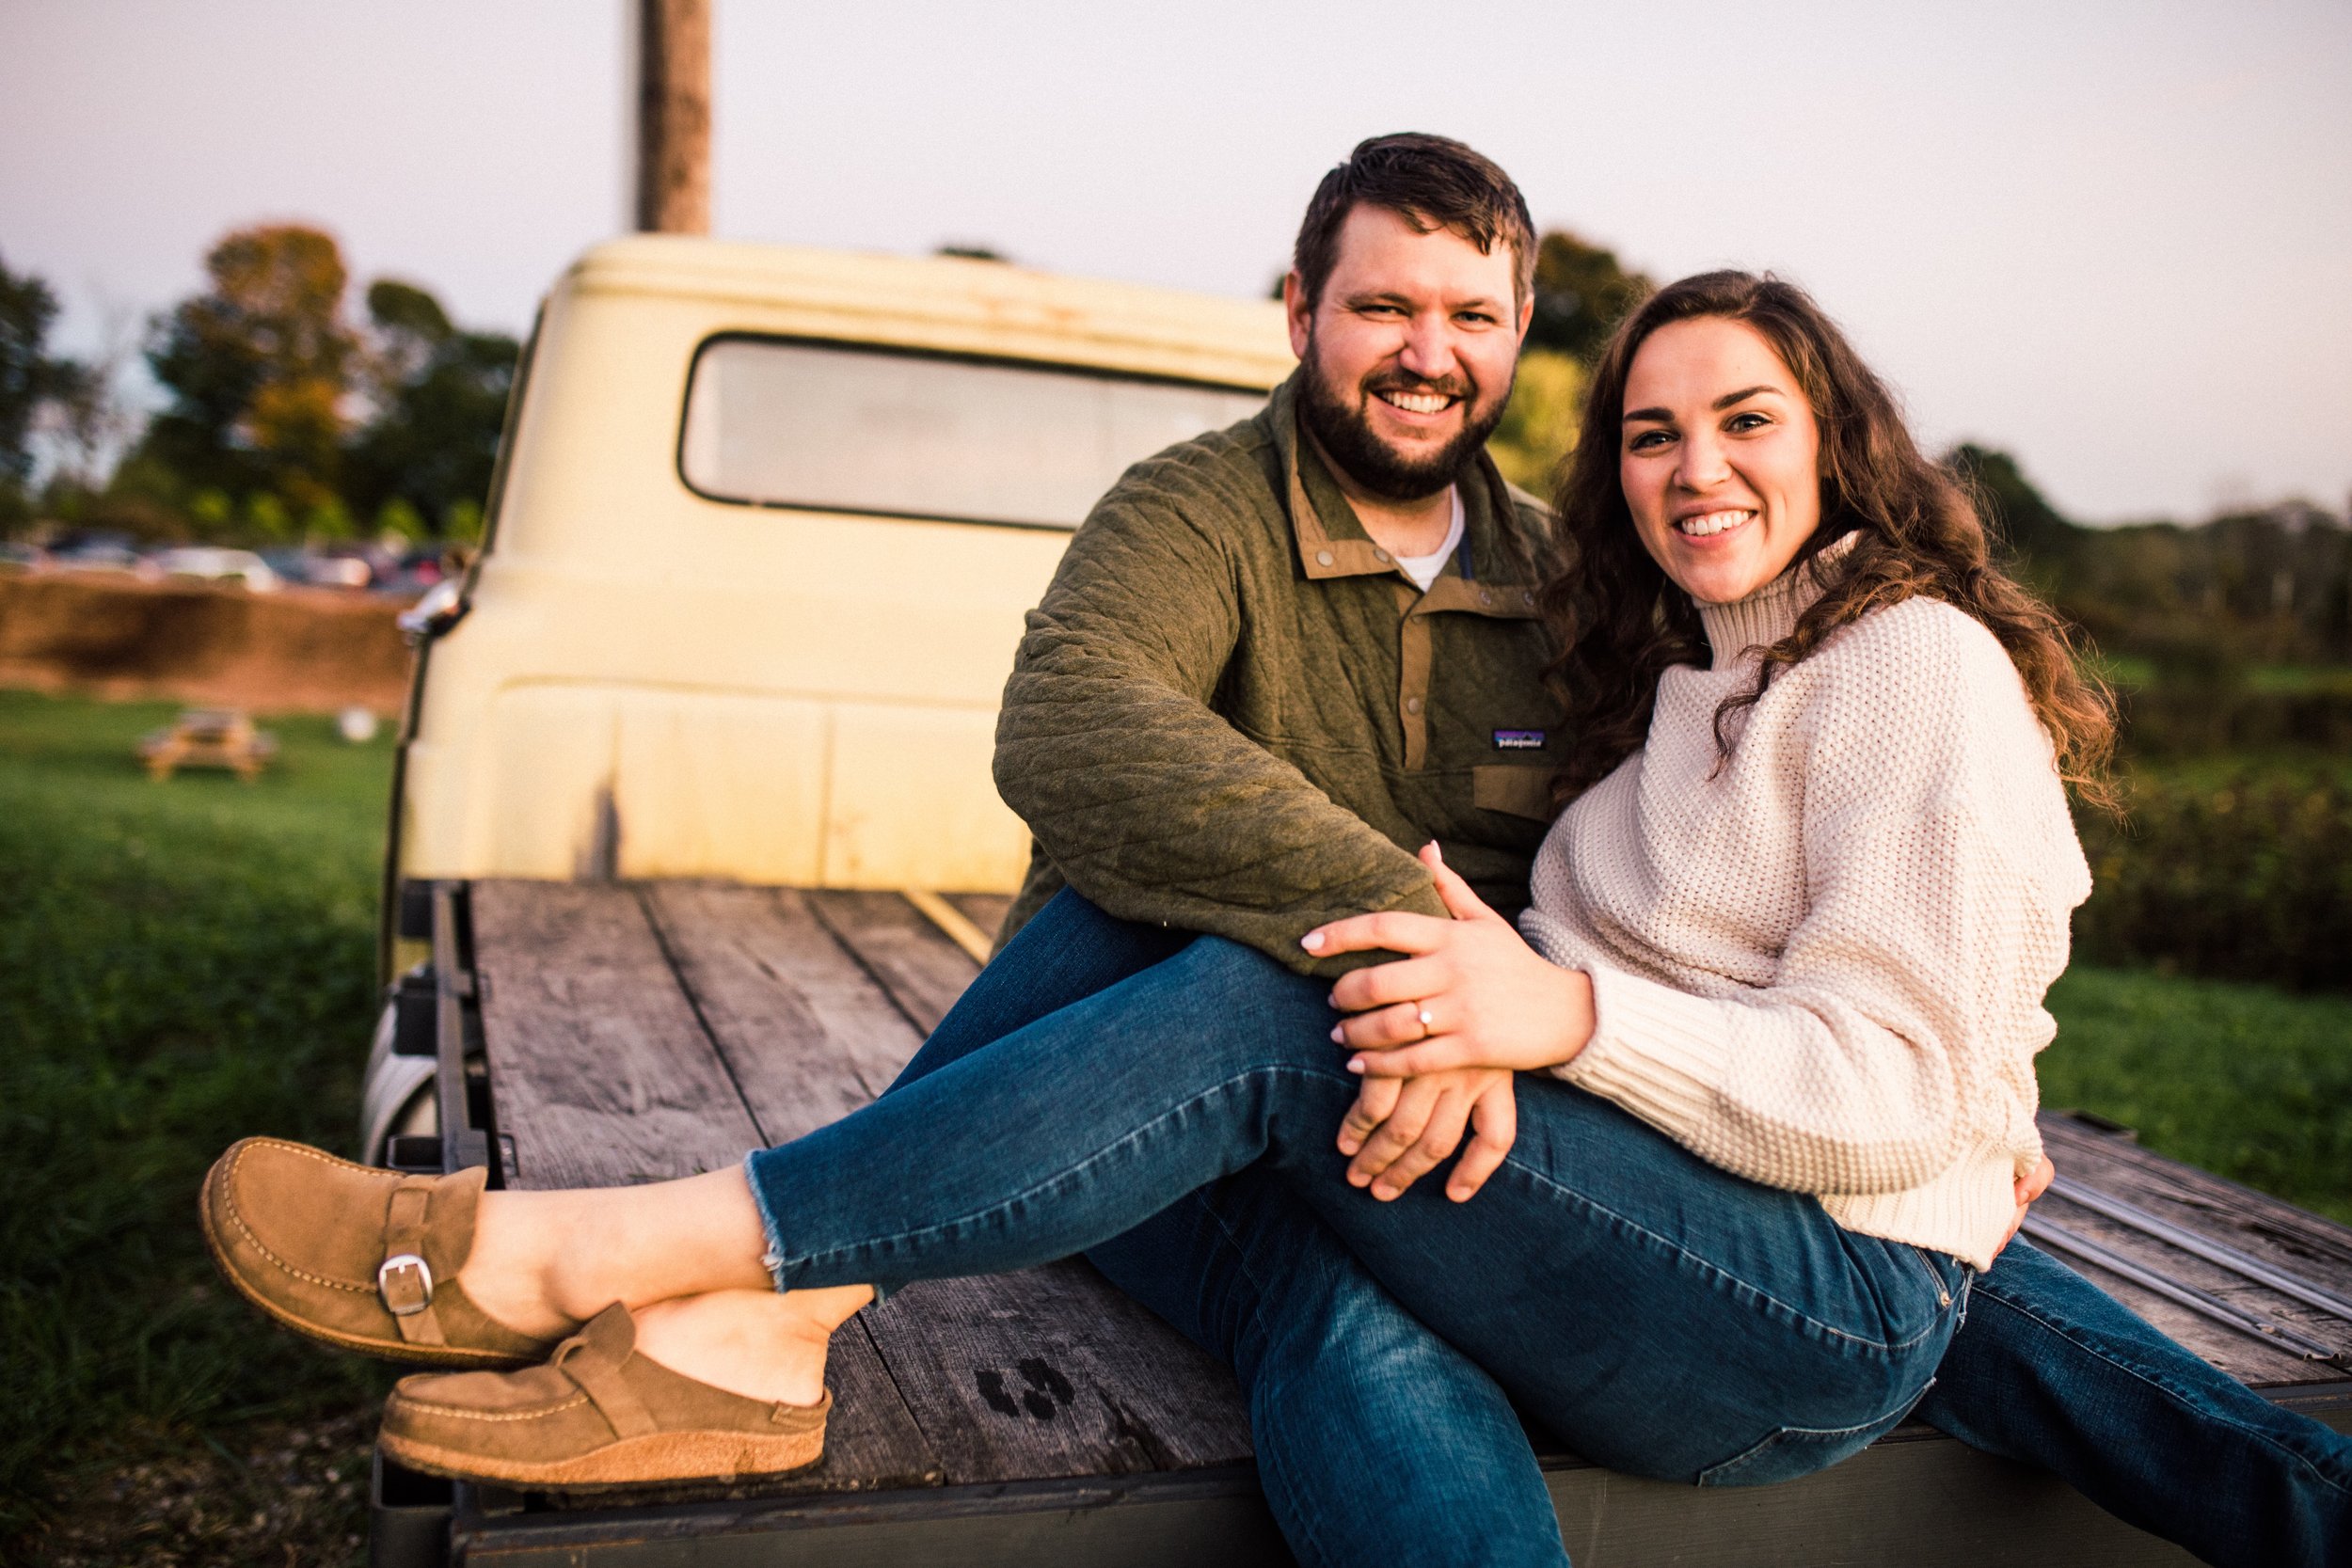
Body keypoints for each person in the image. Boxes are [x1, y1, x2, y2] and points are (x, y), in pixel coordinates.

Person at [198, 143, 2351, 1568]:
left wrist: (1573, 1021)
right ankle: (754, 1325)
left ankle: (619, 1271)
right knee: (1254, 1116)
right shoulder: (1640, 665)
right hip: (1567, 1152)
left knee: (1250, 1001)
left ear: (1835, 436)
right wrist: (1465, 983)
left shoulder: (1895, 667)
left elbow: (1859, 1030)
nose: (1689, 465)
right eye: (1653, 432)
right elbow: (1105, 749)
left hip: (1737, 1235)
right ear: (1302, 307)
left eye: (1743, 423)